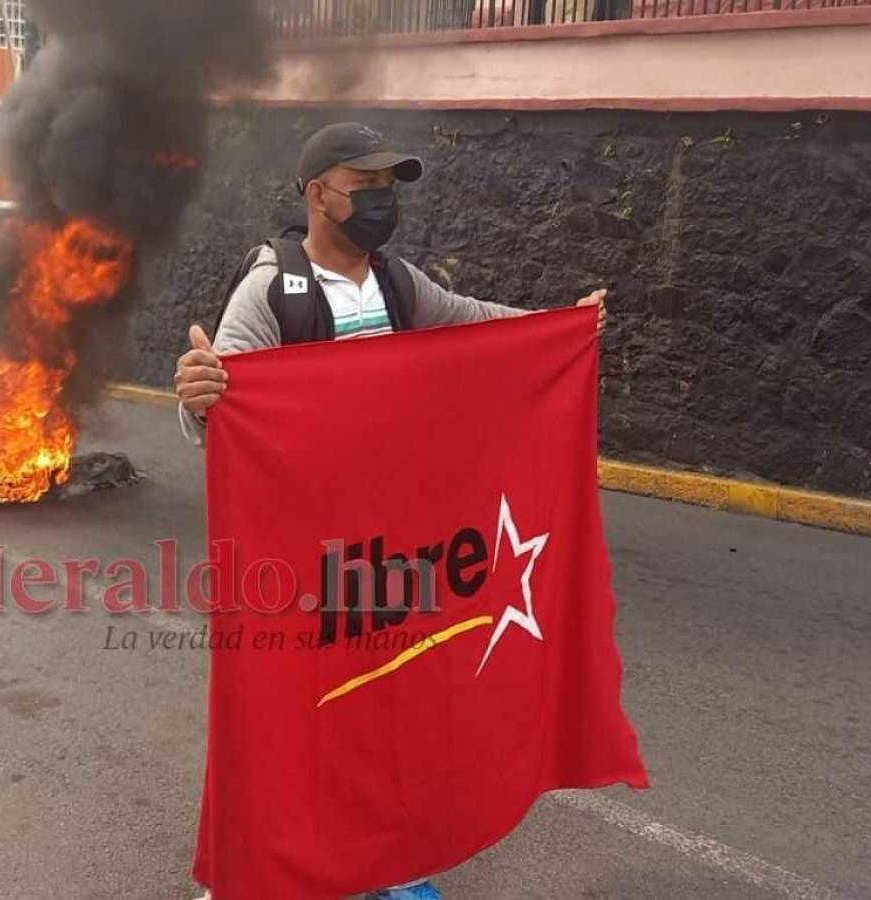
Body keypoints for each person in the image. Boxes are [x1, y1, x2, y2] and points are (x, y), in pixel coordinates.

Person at [175, 122, 607, 900]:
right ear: (317, 195)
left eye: (389, 187)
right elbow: (222, 403)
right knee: (292, 714)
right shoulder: (273, 290)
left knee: (385, 707)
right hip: (307, 557)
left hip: (394, 551)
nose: (381, 201)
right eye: (365, 185)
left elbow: (475, 324)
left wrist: (561, 327)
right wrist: (199, 398)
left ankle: (383, 863)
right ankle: (258, 869)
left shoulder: (400, 284)